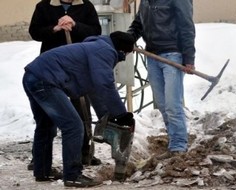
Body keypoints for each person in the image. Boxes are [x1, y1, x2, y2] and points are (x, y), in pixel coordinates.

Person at [22, 31, 135, 187]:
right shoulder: (105, 51)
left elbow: (96, 89)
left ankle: (42, 171)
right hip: (46, 81)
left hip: (33, 76)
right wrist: (121, 114)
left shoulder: (94, 47)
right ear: (122, 50)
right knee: (74, 126)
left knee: (46, 126)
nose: (124, 58)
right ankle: (73, 175)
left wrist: (107, 116)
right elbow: (105, 84)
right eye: (126, 54)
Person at [28, 0, 102, 169]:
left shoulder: (86, 6)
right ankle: (40, 158)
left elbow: (95, 31)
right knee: (48, 113)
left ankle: (85, 153)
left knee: (81, 110)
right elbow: (35, 32)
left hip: (77, 67)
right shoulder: (44, 6)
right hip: (51, 69)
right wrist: (55, 28)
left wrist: (75, 25)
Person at [127, 0, 196, 158]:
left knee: (173, 104)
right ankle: (173, 144)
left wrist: (189, 58)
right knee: (164, 105)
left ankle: (179, 146)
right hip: (152, 56)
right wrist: (127, 39)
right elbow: (138, 23)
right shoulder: (145, 1)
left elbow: (186, 25)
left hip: (172, 55)